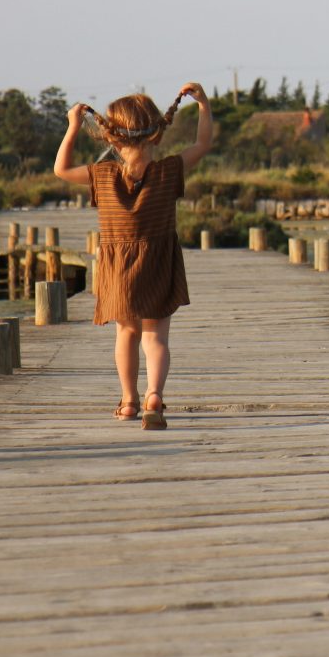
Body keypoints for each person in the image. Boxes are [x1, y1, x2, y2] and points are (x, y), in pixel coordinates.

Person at [53, 84, 214, 430]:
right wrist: (202, 105)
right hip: (158, 262)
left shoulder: (102, 175)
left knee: (127, 333)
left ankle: (128, 401)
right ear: (156, 135)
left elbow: (61, 170)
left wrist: (72, 126)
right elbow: (202, 145)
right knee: (156, 337)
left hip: (119, 268)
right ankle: (154, 396)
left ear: (112, 138)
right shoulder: (169, 171)